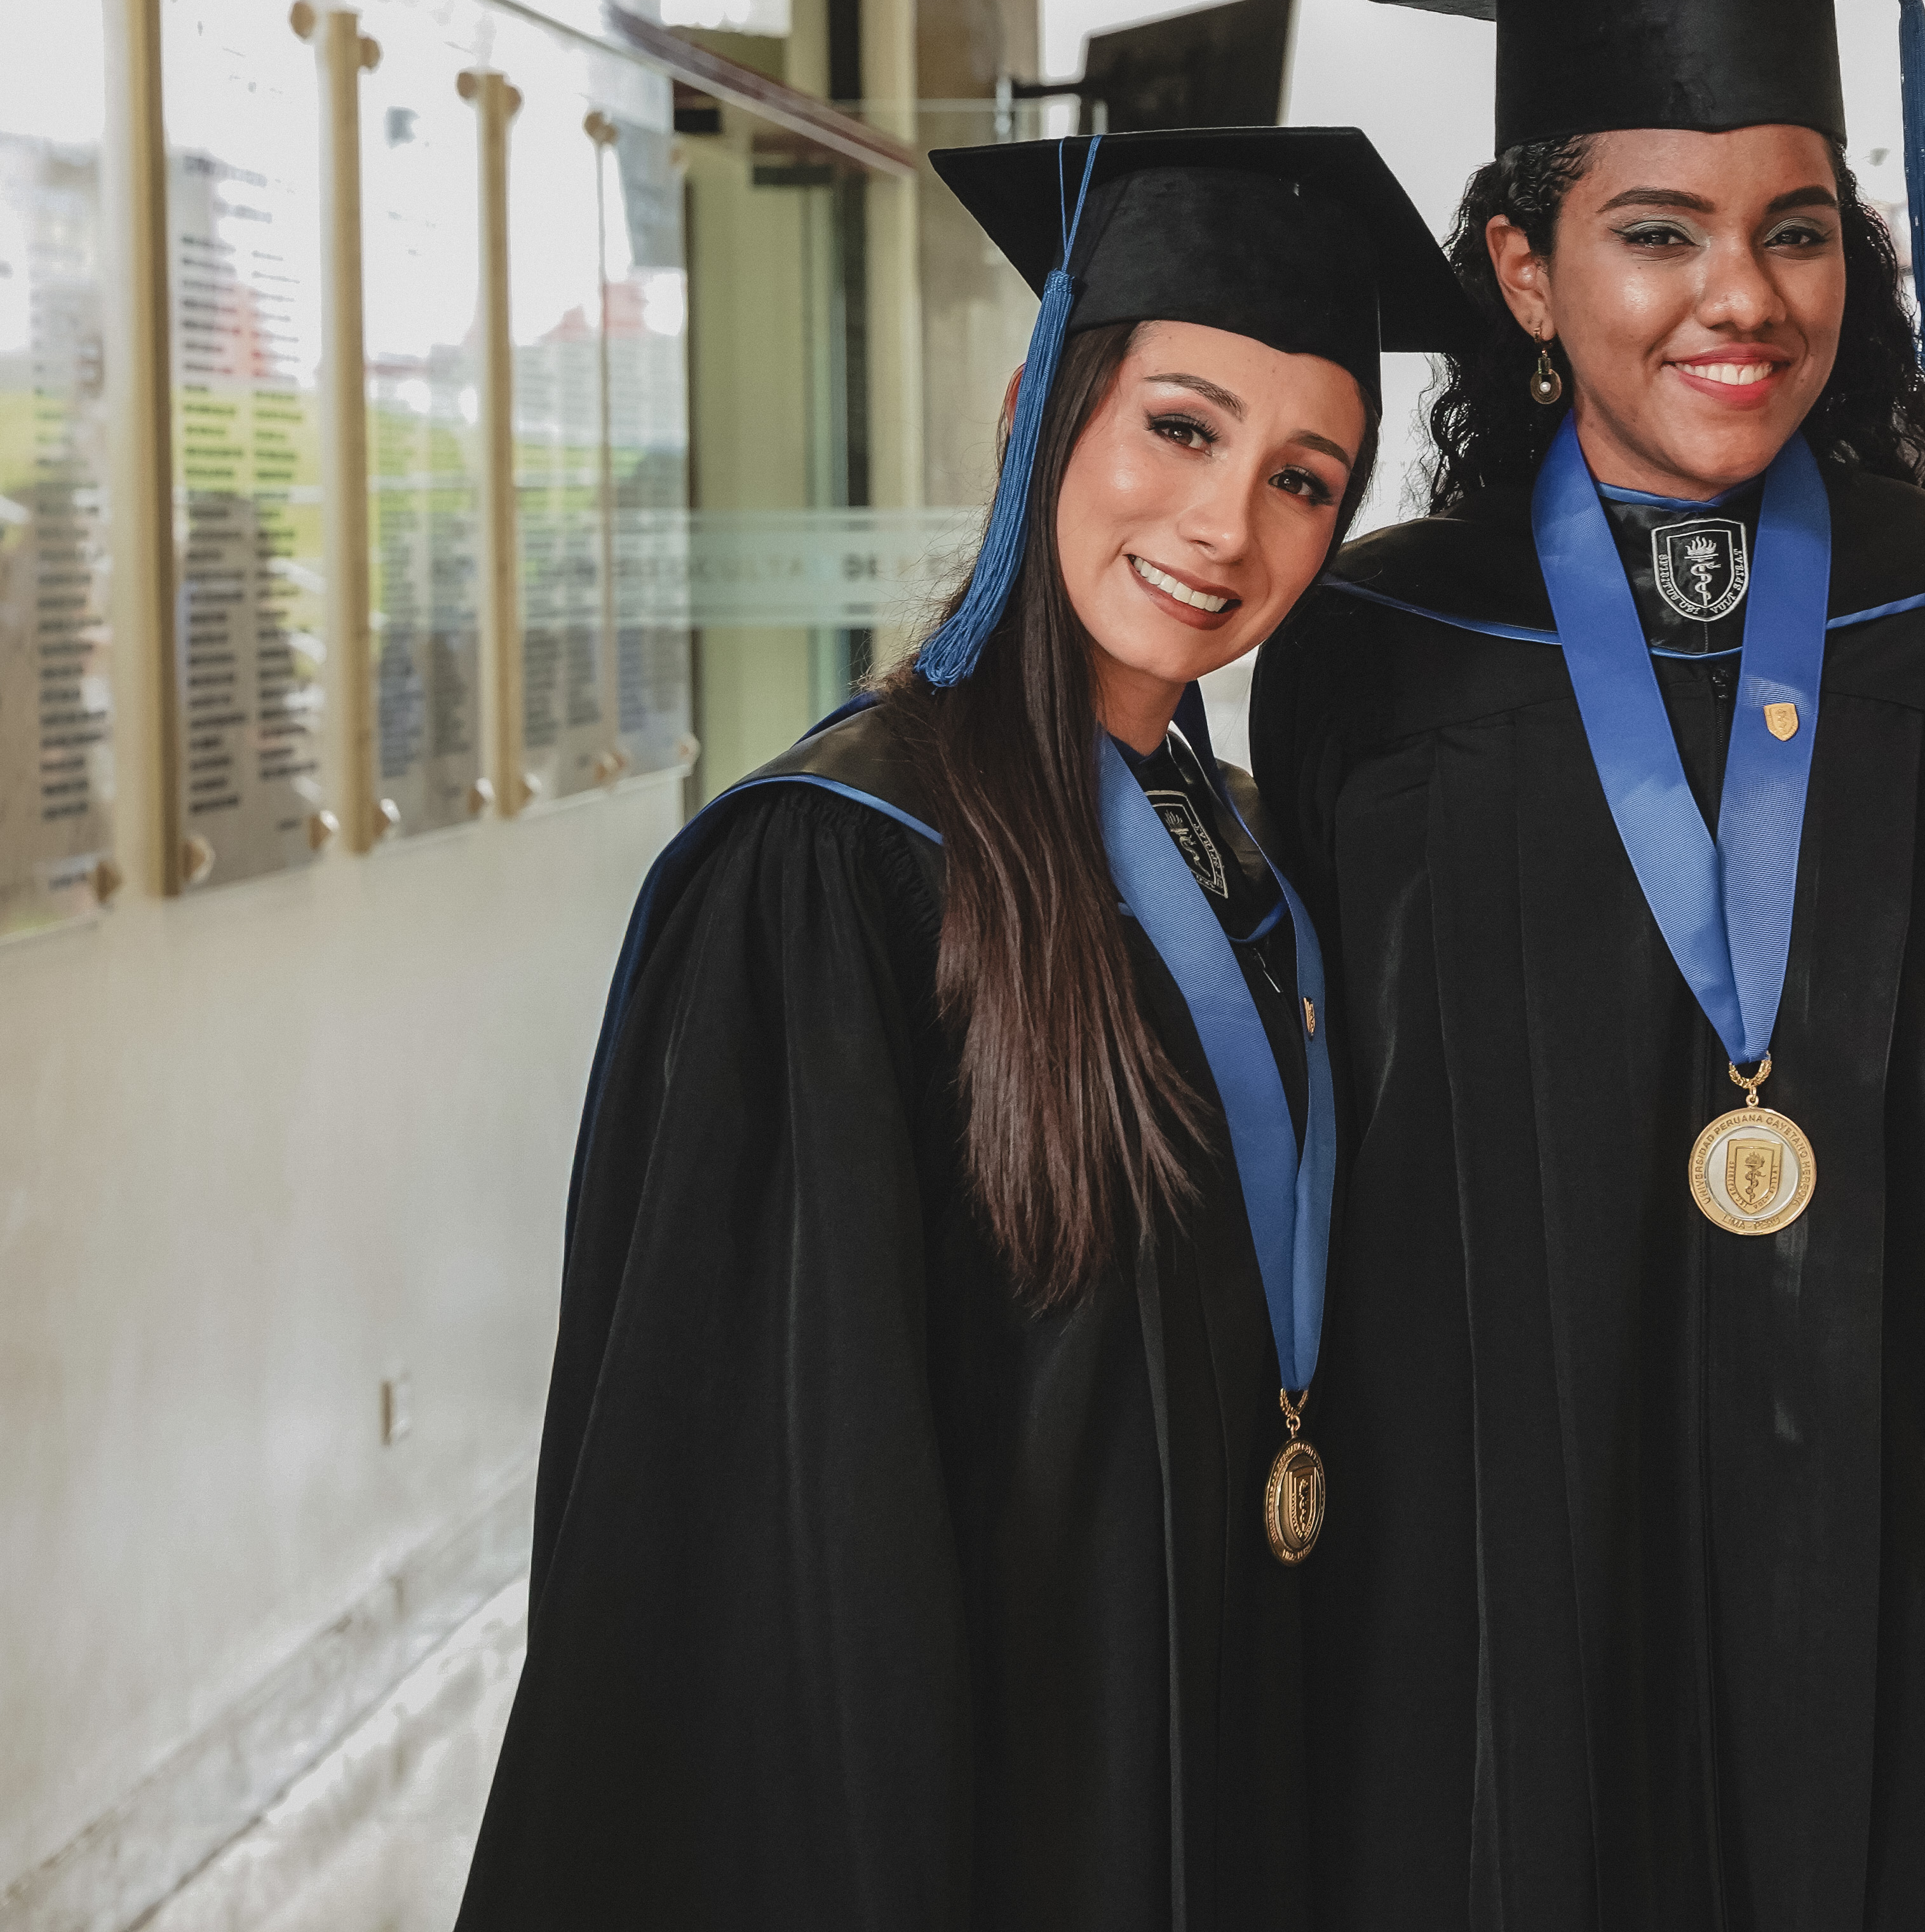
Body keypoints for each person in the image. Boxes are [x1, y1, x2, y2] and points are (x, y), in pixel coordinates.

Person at [456, 127, 1473, 1931]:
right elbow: (756, 1521)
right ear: (1040, 404)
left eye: (1307, 478)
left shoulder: (1235, 849)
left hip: (1224, 1755)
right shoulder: (834, 876)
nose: (1228, 525)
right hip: (997, 1815)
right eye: (1181, 426)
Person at [1247, 0, 1925, 1930]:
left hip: (1899, 1528)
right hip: (1490, 1550)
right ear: (1523, 272)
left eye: (1799, 230)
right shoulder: (1373, 648)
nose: (1742, 297)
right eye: (1660, 232)